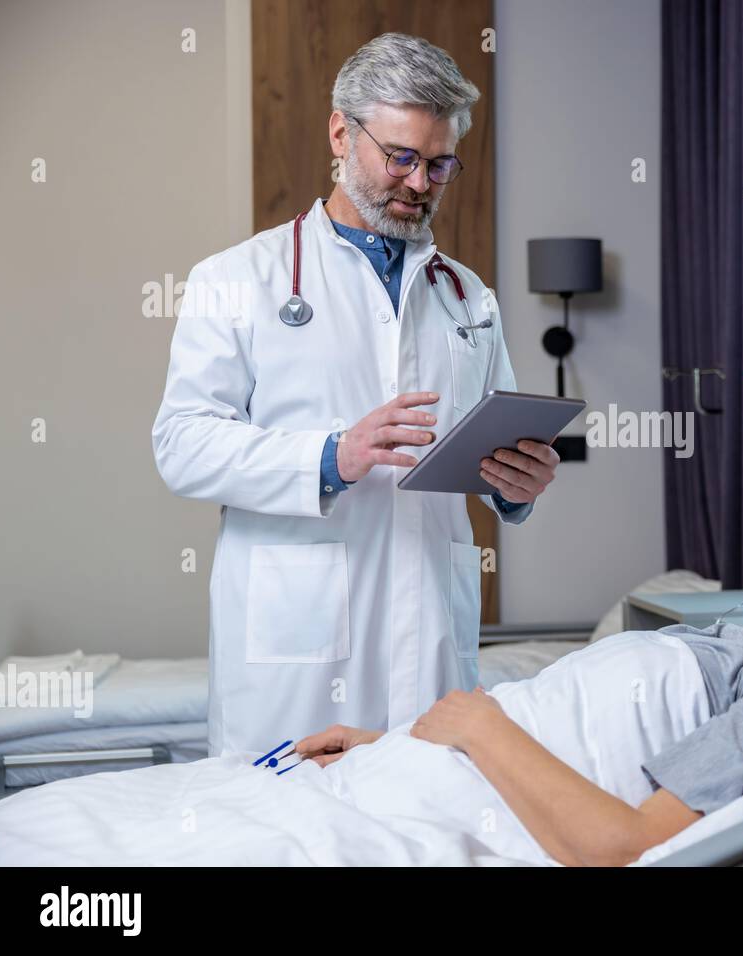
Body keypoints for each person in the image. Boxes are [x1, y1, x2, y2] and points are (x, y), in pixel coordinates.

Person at [151, 33, 558, 756]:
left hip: (431, 623)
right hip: (296, 640)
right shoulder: (238, 278)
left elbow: (499, 438)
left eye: (439, 165)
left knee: (426, 832)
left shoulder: (469, 297)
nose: (419, 183)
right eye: (399, 157)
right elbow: (182, 444)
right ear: (342, 132)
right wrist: (332, 455)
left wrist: (518, 487)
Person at [297, 497, 743, 866]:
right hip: (395, 777)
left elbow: (627, 846)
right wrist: (396, 745)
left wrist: (481, 728)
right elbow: (563, 721)